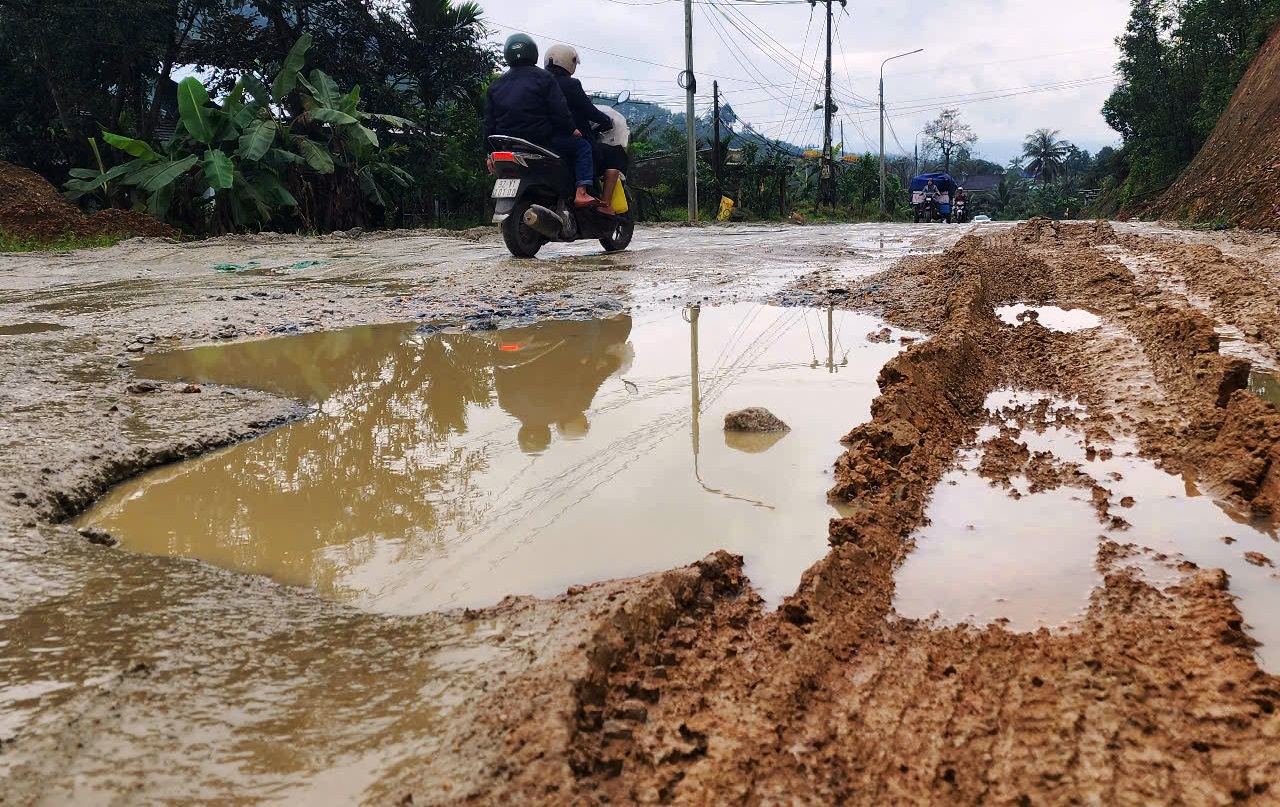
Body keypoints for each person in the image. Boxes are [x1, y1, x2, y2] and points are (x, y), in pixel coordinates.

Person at [484, 34, 598, 208]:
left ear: (507, 54)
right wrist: (571, 129)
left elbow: (489, 125)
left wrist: (489, 154)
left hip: (507, 145)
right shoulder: (544, 78)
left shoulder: (495, 86)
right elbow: (559, 111)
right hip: (541, 139)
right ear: (533, 53)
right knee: (583, 146)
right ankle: (581, 192)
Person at [544, 44, 627, 215]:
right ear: (569, 62)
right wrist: (606, 120)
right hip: (570, 140)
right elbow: (588, 110)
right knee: (616, 155)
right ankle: (604, 204)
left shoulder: (540, 84)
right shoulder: (571, 84)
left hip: (544, 140)